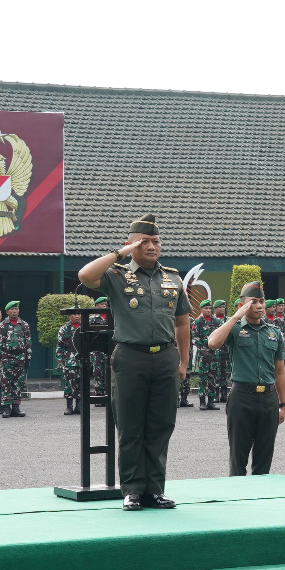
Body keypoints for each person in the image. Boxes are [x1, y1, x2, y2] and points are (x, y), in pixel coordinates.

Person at [76, 215, 193, 512]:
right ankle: (132, 490)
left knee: (161, 424)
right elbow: (86, 276)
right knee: (130, 426)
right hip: (130, 356)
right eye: (144, 242)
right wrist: (121, 253)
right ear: (130, 244)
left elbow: (182, 323)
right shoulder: (117, 275)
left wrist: (183, 360)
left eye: (156, 241)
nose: (152, 246)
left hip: (165, 356)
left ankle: (155, 489)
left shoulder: (173, 278)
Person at [208, 283, 285, 476]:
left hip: (268, 399)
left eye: (261, 301)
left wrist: (283, 404)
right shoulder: (234, 329)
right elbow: (213, 343)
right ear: (242, 305)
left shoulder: (274, 333)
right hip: (242, 397)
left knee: (264, 457)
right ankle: (238, 500)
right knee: (238, 456)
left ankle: (259, 500)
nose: (260, 305)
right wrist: (235, 317)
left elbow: (280, 371)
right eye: (253, 302)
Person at [0, 301, 32, 417]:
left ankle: (16, 407)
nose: (15, 311)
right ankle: (6, 407)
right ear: (7, 311)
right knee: (6, 383)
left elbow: (28, 343)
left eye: (16, 309)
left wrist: (28, 359)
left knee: (18, 383)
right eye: (12, 309)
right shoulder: (2, 326)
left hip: (20, 358)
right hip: (6, 358)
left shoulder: (24, 325)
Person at [58, 311, 83, 415]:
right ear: (69, 316)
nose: (77, 316)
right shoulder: (64, 328)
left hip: (82, 358)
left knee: (81, 383)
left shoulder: (84, 327)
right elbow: (60, 345)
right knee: (69, 384)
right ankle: (69, 406)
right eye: (74, 314)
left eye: (78, 314)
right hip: (69, 359)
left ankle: (79, 406)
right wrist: (60, 359)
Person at [212, 299, 231, 405]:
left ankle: (224, 395)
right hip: (215, 351)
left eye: (223, 307)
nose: (222, 309)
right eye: (220, 307)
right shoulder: (212, 320)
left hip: (226, 350)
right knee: (215, 372)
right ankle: (215, 395)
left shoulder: (228, 320)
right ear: (215, 309)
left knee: (225, 372)